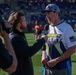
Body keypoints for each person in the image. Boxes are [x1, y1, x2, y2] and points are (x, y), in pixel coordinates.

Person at [8, 11, 48, 75]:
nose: (26, 22)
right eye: (24, 21)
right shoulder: (15, 38)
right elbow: (29, 52)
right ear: (18, 24)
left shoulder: (17, 35)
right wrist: (42, 40)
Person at [41, 4, 76, 75]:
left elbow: (72, 48)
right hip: (47, 67)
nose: (46, 16)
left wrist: (56, 60)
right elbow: (44, 45)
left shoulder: (66, 28)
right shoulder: (47, 28)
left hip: (62, 68)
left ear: (56, 13)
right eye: (46, 13)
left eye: (49, 13)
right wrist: (43, 56)